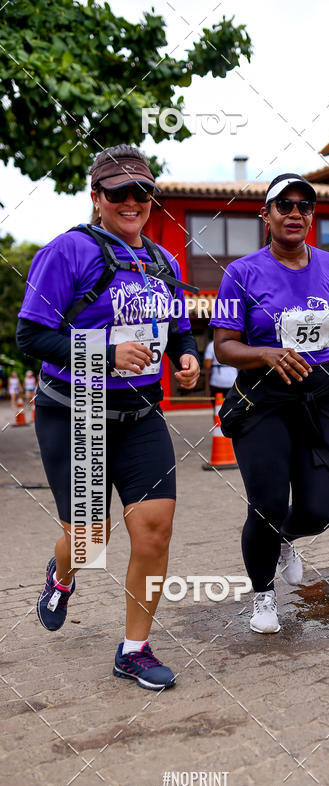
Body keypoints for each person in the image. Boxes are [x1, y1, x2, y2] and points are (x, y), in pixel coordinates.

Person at [17, 144, 201, 690]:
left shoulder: (163, 262)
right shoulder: (67, 252)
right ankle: (63, 574)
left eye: (140, 192)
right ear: (96, 197)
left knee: (153, 532)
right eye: (117, 192)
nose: (131, 202)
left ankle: (134, 649)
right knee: (90, 540)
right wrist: (102, 352)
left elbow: (178, 325)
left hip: (141, 414)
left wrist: (185, 356)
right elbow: (31, 335)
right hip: (79, 410)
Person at [211, 172, 329, 634]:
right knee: (268, 504)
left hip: (317, 393)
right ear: (267, 215)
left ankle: (284, 540)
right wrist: (267, 353)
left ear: (312, 216)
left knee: (320, 510)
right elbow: (223, 346)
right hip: (262, 395)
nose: (295, 213)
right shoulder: (241, 273)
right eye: (284, 205)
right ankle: (263, 596)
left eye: (305, 206)